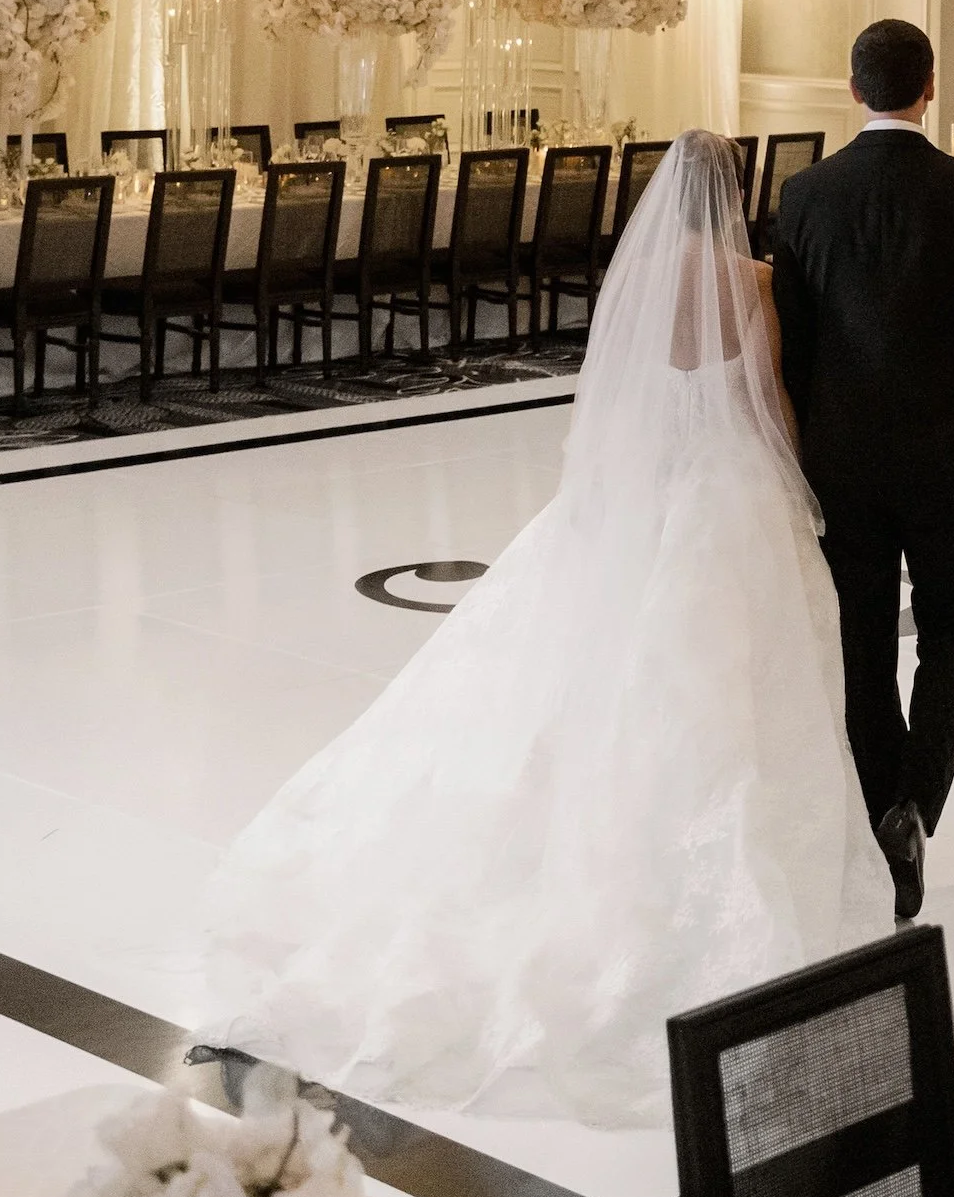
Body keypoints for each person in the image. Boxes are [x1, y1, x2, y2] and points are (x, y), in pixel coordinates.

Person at [196, 129, 893, 1126]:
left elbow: (612, 401)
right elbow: (767, 397)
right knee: (723, 685)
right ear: (736, 192)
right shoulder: (752, 281)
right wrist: (800, 482)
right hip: (722, 491)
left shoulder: (637, 278)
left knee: (590, 676)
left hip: (639, 489)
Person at [771, 17, 954, 921]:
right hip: (953, 461)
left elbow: (793, 344)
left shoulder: (806, 195)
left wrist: (809, 446)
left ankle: (887, 802)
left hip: (843, 462)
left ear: (853, 90)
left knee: (863, 644)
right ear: (930, 88)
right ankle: (915, 803)